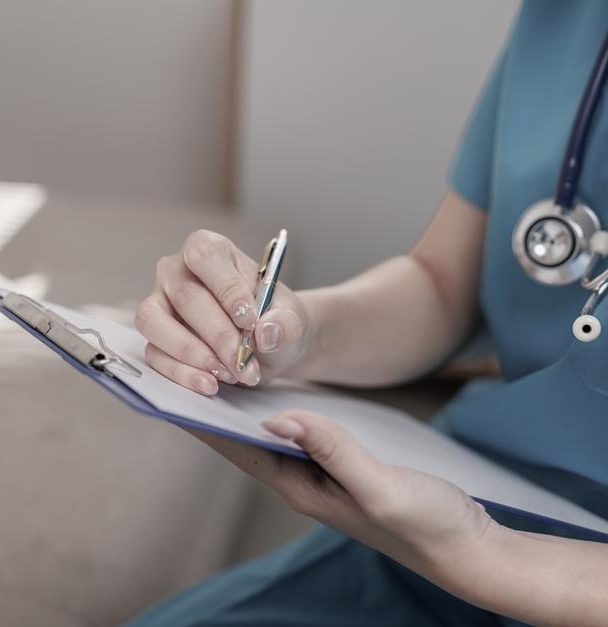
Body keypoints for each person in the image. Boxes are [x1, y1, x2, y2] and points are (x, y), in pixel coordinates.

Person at [127, 2, 608, 625]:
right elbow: (441, 285)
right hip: (459, 503)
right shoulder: (568, 17)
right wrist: (297, 331)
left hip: (501, 552)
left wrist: (488, 555)